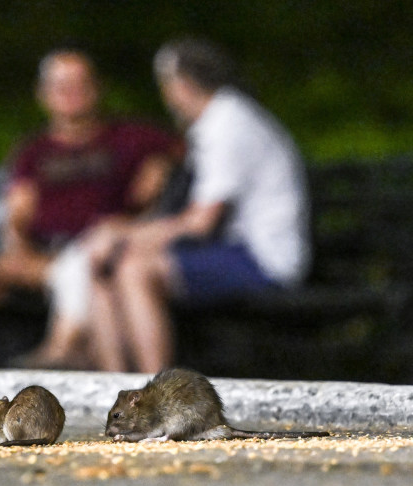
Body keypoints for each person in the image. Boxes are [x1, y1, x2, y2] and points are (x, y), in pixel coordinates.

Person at [0, 48, 181, 366]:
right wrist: (17, 240)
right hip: (41, 255)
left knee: (81, 263)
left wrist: (162, 171)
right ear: (44, 94)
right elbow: (15, 212)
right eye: (62, 86)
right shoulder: (33, 152)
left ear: (98, 87)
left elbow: (190, 154)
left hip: (101, 250)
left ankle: (60, 351)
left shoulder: (134, 137)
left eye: (80, 84)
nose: (72, 94)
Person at [86, 38, 310, 373]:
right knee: (109, 264)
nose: (166, 96)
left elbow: (201, 222)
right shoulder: (219, 121)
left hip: (264, 259)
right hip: (235, 249)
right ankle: (116, 387)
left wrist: (126, 235)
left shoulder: (229, 124)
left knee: (134, 268)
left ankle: (155, 392)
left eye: (166, 85)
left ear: (183, 84)